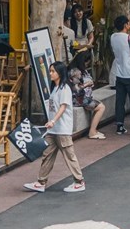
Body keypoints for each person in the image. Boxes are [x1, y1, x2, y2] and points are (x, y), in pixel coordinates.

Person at [22, 61, 85, 194]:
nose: (50, 74)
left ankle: (79, 181)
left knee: (69, 155)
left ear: (60, 73)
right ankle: (41, 182)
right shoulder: (55, 88)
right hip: (53, 130)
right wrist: (50, 122)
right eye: (50, 71)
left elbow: (63, 107)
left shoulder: (64, 88)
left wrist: (53, 121)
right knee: (47, 155)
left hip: (62, 129)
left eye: (53, 71)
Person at [111, 14, 130, 137]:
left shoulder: (113, 37)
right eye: (129, 23)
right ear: (125, 25)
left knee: (120, 101)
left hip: (119, 73)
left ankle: (119, 125)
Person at [67, 53, 106, 140]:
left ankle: (94, 130)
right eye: (87, 62)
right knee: (101, 107)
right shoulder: (75, 72)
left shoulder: (75, 70)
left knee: (98, 105)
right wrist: (86, 84)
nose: (87, 64)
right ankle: (92, 132)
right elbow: (75, 89)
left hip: (81, 97)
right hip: (78, 99)